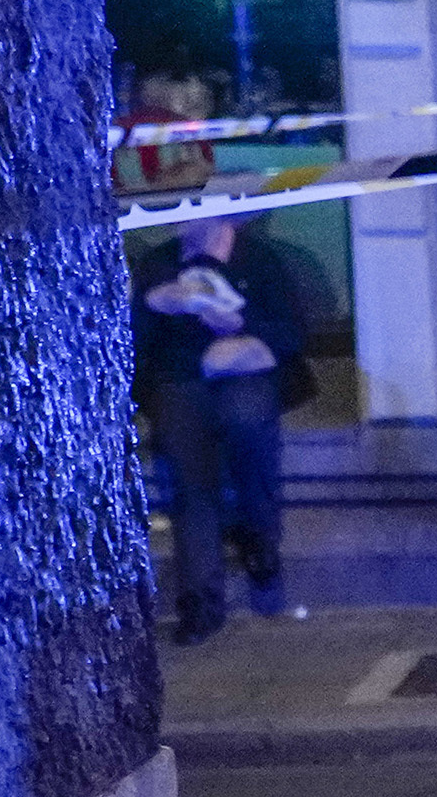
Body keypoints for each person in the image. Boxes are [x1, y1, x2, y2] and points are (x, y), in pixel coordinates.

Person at [134, 214, 317, 634]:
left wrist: (241, 326)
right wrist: (155, 302)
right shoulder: (160, 262)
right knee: (191, 486)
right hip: (181, 378)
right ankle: (200, 605)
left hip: (245, 372)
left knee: (250, 430)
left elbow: (290, 332)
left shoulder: (257, 260)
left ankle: (259, 542)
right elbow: (139, 341)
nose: (177, 217)